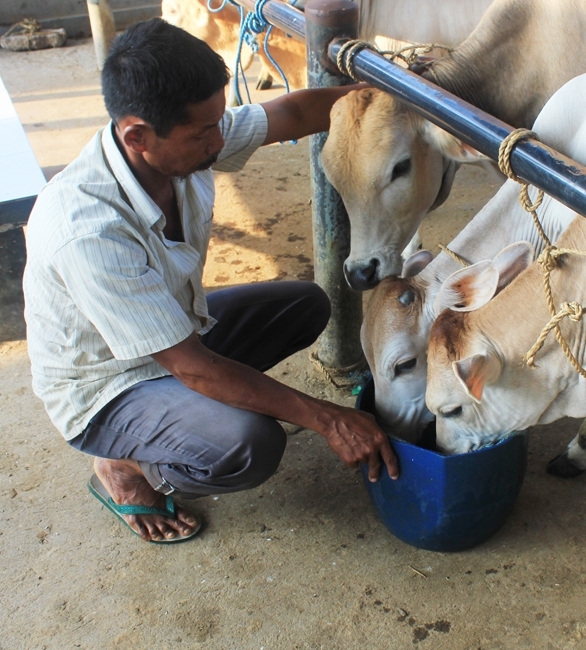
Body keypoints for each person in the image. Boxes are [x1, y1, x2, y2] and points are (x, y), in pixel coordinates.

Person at [22, 18, 398, 545]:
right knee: (250, 445)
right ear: (137, 135)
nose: (219, 141)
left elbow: (291, 113)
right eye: (203, 133)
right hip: (107, 385)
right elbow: (194, 368)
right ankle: (130, 467)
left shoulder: (181, 143)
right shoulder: (87, 230)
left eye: (219, 122)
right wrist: (327, 418)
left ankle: (188, 419)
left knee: (305, 305)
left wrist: (394, 94)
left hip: (173, 335)